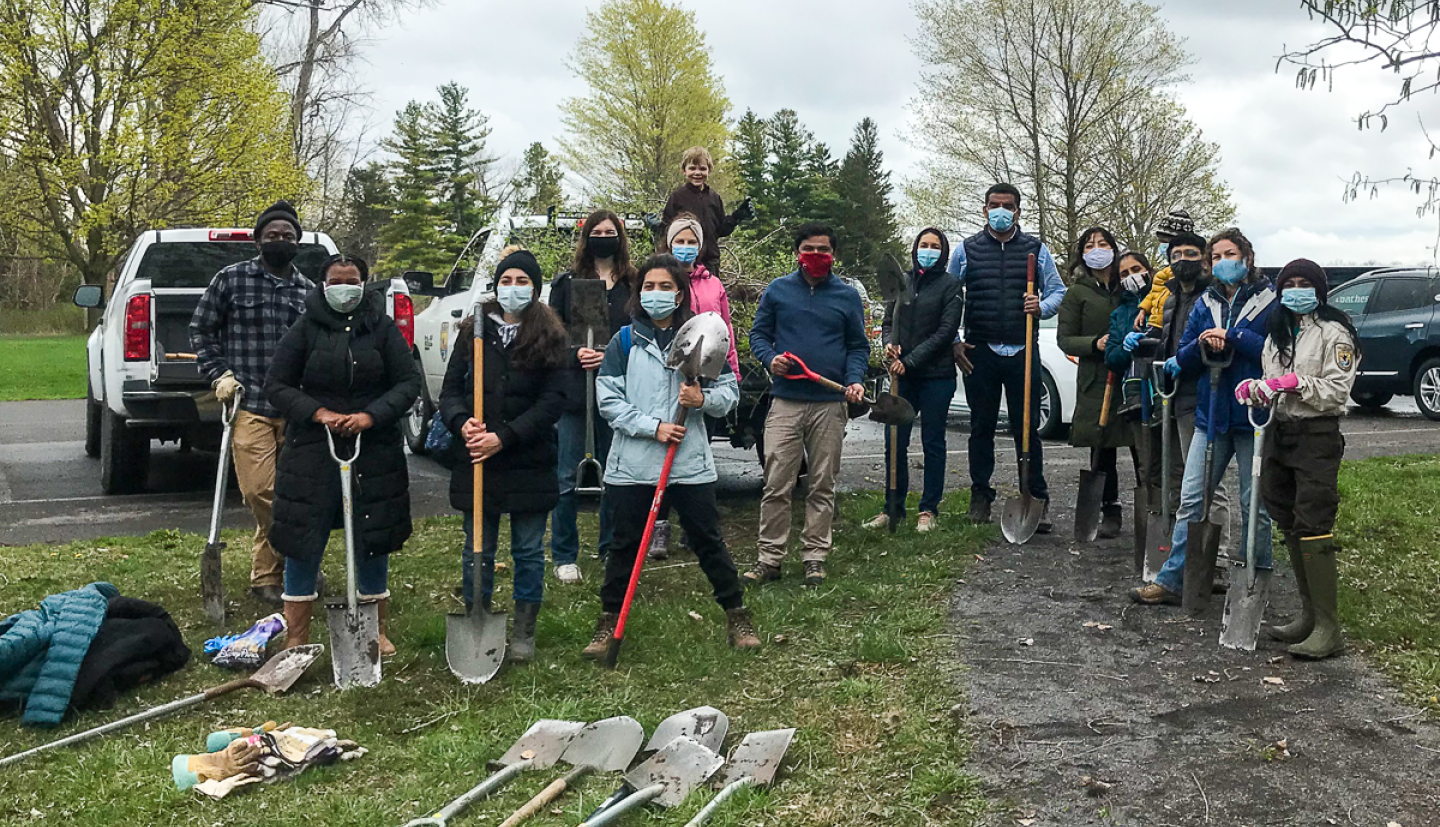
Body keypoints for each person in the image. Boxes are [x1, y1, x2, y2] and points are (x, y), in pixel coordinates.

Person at [581, 254, 759, 658]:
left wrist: (703, 399)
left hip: (688, 464)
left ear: (680, 293)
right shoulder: (623, 343)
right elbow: (608, 400)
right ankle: (609, 621)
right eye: (648, 287)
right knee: (624, 545)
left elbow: (729, 393)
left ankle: (736, 614)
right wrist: (653, 427)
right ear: (637, 292)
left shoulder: (704, 339)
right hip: (632, 465)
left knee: (709, 541)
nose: (656, 294)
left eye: (665, 287)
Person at [265, 254, 421, 655]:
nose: (344, 287)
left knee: (372, 535)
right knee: (303, 537)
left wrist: (372, 416)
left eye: (351, 280)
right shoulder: (304, 329)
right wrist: (318, 413)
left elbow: (407, 383)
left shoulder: (382, 328)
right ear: (322, 285)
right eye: (336, 281)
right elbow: (278, 385)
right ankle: (297, 633)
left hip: (374, 447)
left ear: (365, 284)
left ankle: (375, 629)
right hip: (313, 447)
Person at [1132, 228, 1276, 605]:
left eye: (1230, 254)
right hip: (1211, 414)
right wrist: (1200, 344)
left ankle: (1255, 578)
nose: (1222, 262)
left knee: (1254, 502)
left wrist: (1234, 338)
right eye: (1216, 257)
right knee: (1192, 498)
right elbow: (1181, 358)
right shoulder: (1206, 303)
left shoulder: (1270, 302)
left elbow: (1276, 354)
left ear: (1247, 257)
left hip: (1253, 417)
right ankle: (1174, 578)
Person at [441, 249, 568, 663]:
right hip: (478, 459)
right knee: (478, 545)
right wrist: (463, 423)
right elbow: (450, 392)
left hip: (528, 459)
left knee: (529, 549)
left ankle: (524, 630)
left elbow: (552, 402)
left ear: (535, 288)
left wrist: (506, 436)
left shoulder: (550, 335)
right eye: (507, 281)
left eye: (522, 281)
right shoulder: (473, 331)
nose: (513, 289)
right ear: (496, 286)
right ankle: (476, 613)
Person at [191, 200, 314, 606]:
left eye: (288, 236)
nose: (280, 241)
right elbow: (201, 331)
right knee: (262, 491)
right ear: (258, 239)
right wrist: (219, 375)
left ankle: (267, 577)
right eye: (273, 235)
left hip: (296, 410)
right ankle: (296, 557)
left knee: (291, 493)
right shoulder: (230, 280)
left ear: (298, 242)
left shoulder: (309, 292)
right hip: (249, 405)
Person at [1235, 259, 1359, 659]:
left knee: (1313, 517)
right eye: (1290, 283)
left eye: (1305, 283)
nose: (1296, 290)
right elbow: (1272, 381)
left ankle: (1328, 627)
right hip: (1279, 433)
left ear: (1319, 290)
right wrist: (1257, 388)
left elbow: (1337, 391)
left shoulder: (1334, 333)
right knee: (1285, 514)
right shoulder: (1277, 334)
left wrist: (1296, 383)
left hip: (1316, 435)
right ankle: (1308, 616)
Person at [747, 223, 869, 587]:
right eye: (808, 249)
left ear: (833, 254)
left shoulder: (847, 297)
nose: (815, 256)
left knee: (821, 484)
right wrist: (770, 359)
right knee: (776, 483)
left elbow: (858, 346)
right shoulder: (778, 290)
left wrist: (855, 379)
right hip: (786, 400)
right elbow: (758, 334)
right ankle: (770, 558)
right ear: (797, 252)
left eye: (823, 250)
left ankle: (815, 556)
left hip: (830, 404)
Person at [950, 184, 1067, 528]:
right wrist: (955, 341)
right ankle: (980, 496)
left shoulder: (1035, 249)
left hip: (1022, 349)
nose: (1000, 210)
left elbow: (1057, 289)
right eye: (994, 205)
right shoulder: (967, 250)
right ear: (984, 209)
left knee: (1026, 428)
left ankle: (1035, 497)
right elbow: (949, 298)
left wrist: (1041, 307)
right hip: (980, 351)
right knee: (981, 427)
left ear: (1018, 211)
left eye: (1008, 206)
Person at [547, 210, 638, 581]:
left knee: (613, 473)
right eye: (597, 232)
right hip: (574, 392)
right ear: (586, 237)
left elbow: (642, 334)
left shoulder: (633, 283)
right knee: (567, 475)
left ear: (620, 236)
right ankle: (564, 555)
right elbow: (550, 335)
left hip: (618, 389)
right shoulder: (568, 283)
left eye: (610, 231)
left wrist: (610, 355)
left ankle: (609, 548)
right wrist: (575, 353)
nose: (604, 237)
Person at [647, 213, 742, 560]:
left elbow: (725, 329)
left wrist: (731, 372)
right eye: (679, 241)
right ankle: (659, 526)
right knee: (664, 455)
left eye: (691, 242)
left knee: (697, 454)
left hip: (708, 378)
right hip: (669, 377)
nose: (685, 248)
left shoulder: (712, 285)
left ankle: (693, 525)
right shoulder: (661, 280)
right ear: (669, 243)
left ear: (700, 247)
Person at [864, 228, 962, 532]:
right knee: (895, 442)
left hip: (936, 376)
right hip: (901, 377)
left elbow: (945, 332)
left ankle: (928, 509)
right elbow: (888, 321)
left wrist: (911, 361)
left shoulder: (951, 286)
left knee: (932, 442)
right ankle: (892, 508)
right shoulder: (902, 281)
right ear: (915, 248)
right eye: (924, 245)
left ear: (943, 252)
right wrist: (889, 347)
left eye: (935, 246)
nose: (928, 250)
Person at [1150, 231, 1231, 553]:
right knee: (1176, 476)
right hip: (1171, 394)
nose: (1183, 260)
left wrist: (1185, 361)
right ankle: (1181, 549)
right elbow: (1169, 339)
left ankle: (1217, 554)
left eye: (1192, 254)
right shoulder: (1170, 297)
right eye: (1176, 254)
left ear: (1205, 259)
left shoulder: (1213, 298)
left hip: (1202, 395)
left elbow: (1211, 345)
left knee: (1208, 480)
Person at [1057, 227, 1136, 539]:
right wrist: (1095, 343)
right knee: (1102, 448)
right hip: (1096, 379)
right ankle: (1109, 508)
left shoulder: (1127, 288)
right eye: (1090, 245)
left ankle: (1153, 505)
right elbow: (1065, 339)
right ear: (1082, 254)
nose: (1097, 249)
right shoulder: (1077, 293)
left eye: (1103, 243)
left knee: (1141, 443)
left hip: (1131, 376)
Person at [1105, 250, 1164, 537]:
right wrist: (1126, 345)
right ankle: (1153, 524)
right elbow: (1113, 358)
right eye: (1125, 273)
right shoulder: (1121, 313)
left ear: (1149, 270)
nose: (1132, 277)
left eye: (1136, 269)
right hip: (1136, 394)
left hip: (1167, 390)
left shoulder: (1165, 301)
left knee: (1171, 462)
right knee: (1147, 463)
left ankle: (1173, 520)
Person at [662, 146, 753, 276]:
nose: (697, 173)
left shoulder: (714, 198)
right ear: (684, 170)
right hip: (685, 261)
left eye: (702, 168)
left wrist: (736, 217)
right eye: (692, 168)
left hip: (710, 261)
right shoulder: (677, 197)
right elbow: (667, 228)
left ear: (709, 170)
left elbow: (720, 230)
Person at [1136, 210, 1196, 332]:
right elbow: (1153, 293)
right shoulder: (1162, 274)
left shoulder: (1190, 273)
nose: (1162, 246)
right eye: (1161, 241)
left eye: (1166, 242)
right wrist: (1143, 309)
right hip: (1154, 325)